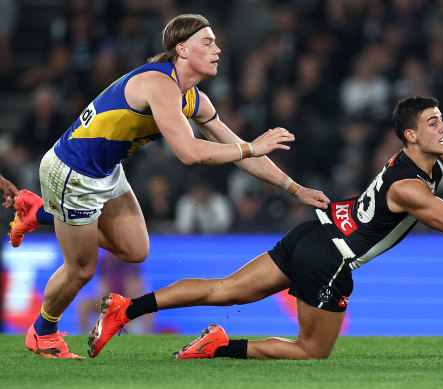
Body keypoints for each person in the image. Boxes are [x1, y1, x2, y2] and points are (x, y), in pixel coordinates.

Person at [87, 96, 443, 360]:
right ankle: (219, 347)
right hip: (330, 259)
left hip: (313, 232)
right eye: (435, 122)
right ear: (411, 135)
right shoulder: (411, 187)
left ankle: (127, 309)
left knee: (223, 289)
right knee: (313, 352)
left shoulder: (433, 154)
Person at [20, 14, 329, 360]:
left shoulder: (192, 98)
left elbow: (241, 152)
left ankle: (42, 213)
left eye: (216, 43)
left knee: (136, 250)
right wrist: (252, 146)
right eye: (207, 42)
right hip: (72, 172)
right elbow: (190, 153)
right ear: (181, 49)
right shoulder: (158, 83)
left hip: (105, 170)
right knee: (81, 268)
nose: (218, 49)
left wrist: (294, 189)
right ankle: (42, 333)